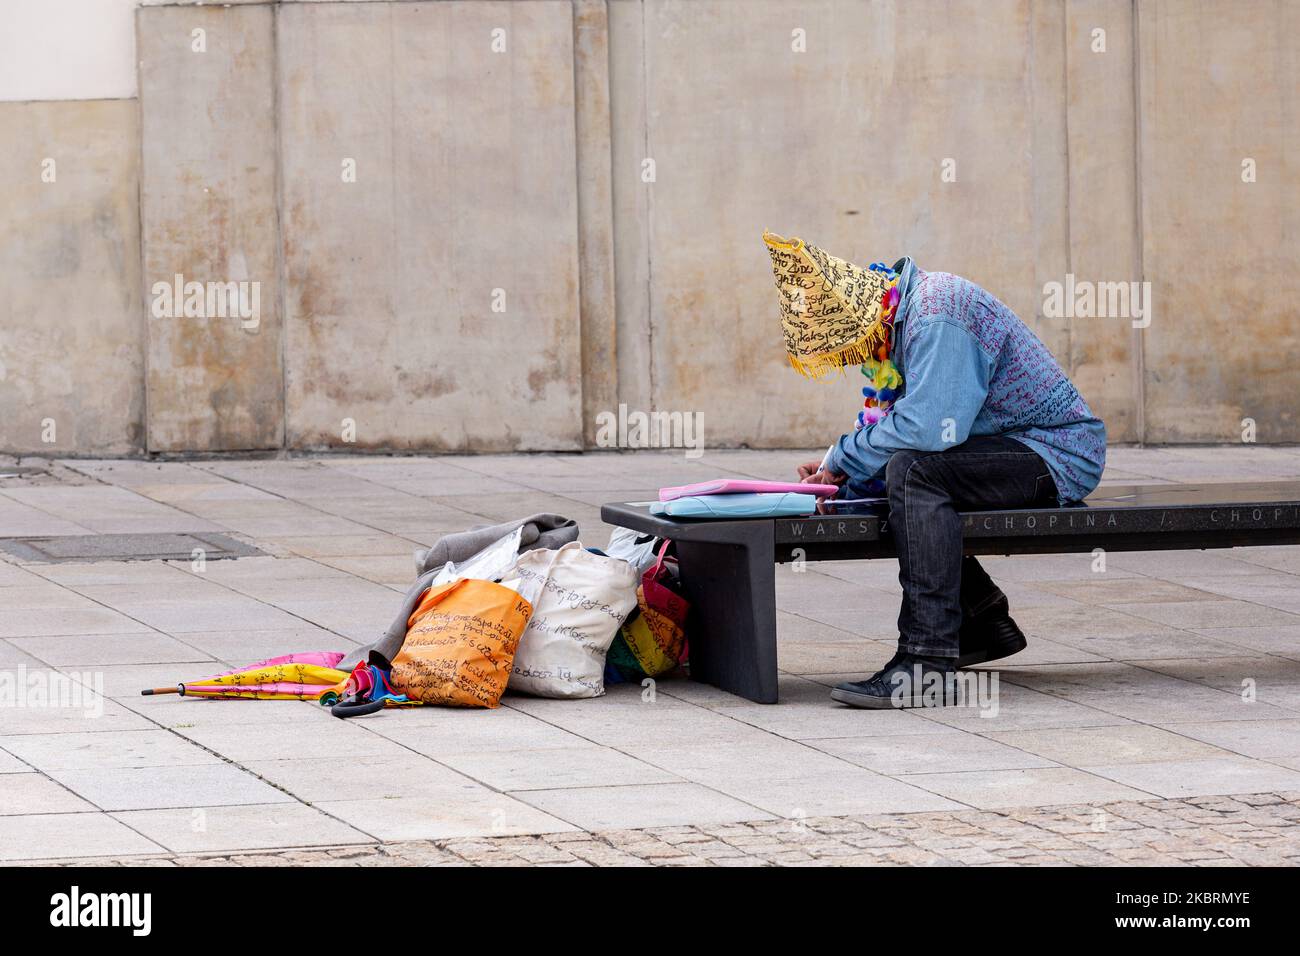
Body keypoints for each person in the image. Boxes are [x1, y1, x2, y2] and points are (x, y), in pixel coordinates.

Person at [763, 233, 1106, 709]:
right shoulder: (909, 312)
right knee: (902, 476)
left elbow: (928, 430)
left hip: (1054, 454)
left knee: (914, 474)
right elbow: (911, 424)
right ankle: (980, 617)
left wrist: (842, 459)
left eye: (856, 349)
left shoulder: (936, 315)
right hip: (1004, 447)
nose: (860, 360)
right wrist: (841, 472)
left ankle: (927, 661)